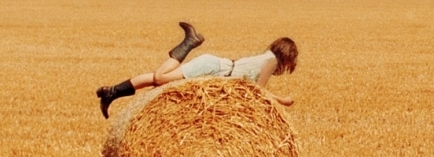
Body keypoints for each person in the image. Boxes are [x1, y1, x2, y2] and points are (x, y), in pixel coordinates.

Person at [96, 22, 298, 119]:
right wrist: (282, 101)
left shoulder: (266, 58)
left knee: (158, 83)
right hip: (212, 69)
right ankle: (188, 42)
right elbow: (257, 91)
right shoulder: (271, 60)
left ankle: (112, 93)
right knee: (160, 78)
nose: (286, 69)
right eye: (289, 64)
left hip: (214, 73)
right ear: (286, 55)